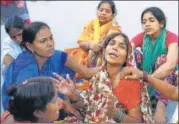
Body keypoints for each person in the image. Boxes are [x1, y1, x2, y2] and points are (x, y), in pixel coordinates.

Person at [2, 21, 99, 110]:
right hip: (25, 111)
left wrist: (111, 64)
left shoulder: (58, 56)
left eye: (51, 38)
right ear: (29, 46)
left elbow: (86, 72)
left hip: (54, 107)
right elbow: (29, 102)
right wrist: (66, 105)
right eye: (43, 41)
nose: (50, 44)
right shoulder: (24, 67)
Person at [80, 32, 154, 123]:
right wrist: (72, 95)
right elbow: (87, 107)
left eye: (121, 46)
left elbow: (137, 121)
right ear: (104, 50)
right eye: (112, 44)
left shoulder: (129, 81)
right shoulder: (99, 76)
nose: (114, 47)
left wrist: (115, 114)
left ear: (127, 57)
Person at [131, 7, 178, 121]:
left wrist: (148, 79)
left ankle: (161, 103)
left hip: (169, 78)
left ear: (161, 23)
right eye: (144, 21)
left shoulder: (171, 37)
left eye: (151, 20)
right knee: (133, 54)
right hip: (148, 75)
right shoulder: (142, 37)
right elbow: (127, 47)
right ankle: (135, 95)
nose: (147, 24)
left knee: (163, 59)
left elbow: (171, 64)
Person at [65, 0, 121, 89]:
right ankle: (76, 80)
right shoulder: (91, 24)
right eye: (101, 10)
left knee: (97, 58)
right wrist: (90, 45)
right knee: (66, 55)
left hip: (102, 55)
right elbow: (81, 41)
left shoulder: (115, 27)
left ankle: (89, 78)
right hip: (86, 51)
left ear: (113, 15)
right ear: (97, 11)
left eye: (107, 11)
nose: (103, 13)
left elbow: (109, 44)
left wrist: (95, 48)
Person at [1, 74, 84, 123]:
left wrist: (72, 95)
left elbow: (80, 110)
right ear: (38, 113)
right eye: (55, 101)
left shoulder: (24, 106)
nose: (60, 102)